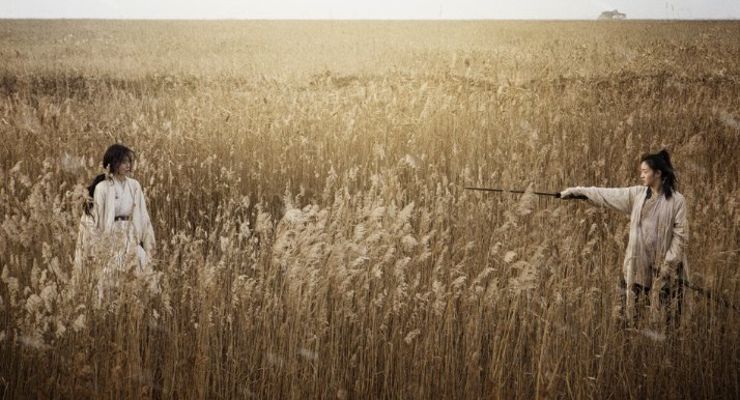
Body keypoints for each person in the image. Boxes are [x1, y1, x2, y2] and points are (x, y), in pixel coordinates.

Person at [559, 149, 689, 329]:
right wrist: (576, 192)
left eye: (645, 171)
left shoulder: (677, 201)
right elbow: (606, 194)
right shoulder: (637, 195)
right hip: (637, 267)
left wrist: (666, 267)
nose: (641, 175)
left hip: (667, 273)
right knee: (626, 323)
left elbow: (680, 237)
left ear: (658, 173)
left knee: (668, 325)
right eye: (641, 171)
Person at [71, 144, 157, 306]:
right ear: (113, 163)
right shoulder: (103, 187)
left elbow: (144, 218)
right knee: (111, 280)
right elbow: (94, 219)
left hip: (131, 236)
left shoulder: (135, 185)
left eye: (129, 162)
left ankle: (137, 311)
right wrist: (95, 247)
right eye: (123, 162)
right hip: (112, 237)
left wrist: (149, 244)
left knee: (140, 274)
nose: (128, 166)